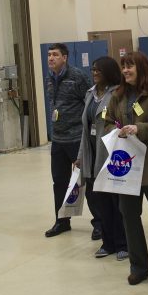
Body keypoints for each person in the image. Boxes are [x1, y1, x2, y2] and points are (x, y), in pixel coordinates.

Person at [103, 51, 148, 287]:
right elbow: (107, 121)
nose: (125, 71)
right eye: (123, 67)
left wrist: (139, 129)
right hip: (127, 168)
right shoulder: (118, 95)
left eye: (130, 66)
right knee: (130, 219)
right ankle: (139, 267)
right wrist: (115, 131)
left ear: (141, 67)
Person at [76, 56, 127, 260]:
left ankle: (123, 243)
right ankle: (108, 243)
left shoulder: (117, 93)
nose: (95, 73)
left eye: (99, 70)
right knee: (101, 203)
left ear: (108, 72)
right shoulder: (90, 94)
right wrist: (80, 156)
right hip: (91, 152)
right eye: (93, 70)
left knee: (116, 204)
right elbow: (85, 128)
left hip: (110, 154)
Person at [44, 43, 92, 238]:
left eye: (55, 55)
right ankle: (62, 220)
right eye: (49, 55)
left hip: (76, 137)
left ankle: (99, 222)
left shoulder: (77, 76)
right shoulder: (50, 78)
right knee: (59, 181)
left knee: (86, 180)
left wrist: (86, 132)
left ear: (65, 57)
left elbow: (89, 101)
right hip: (58, 139)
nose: (51, 58)